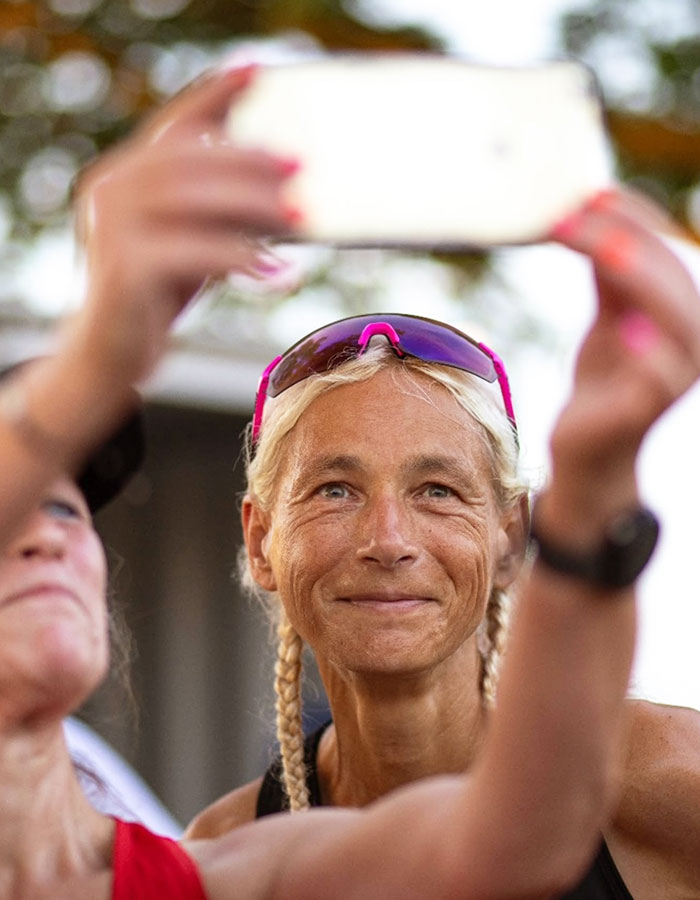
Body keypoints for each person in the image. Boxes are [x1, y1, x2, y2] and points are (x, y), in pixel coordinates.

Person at [0, 61, 698, 899]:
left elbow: (514, 843)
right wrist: (96, 356)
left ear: (513, 532)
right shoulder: (223, 848)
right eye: (333, 489)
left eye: (438, 489)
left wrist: (595, 492)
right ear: (260, 539)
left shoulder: (220, 871)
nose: (389, 541)